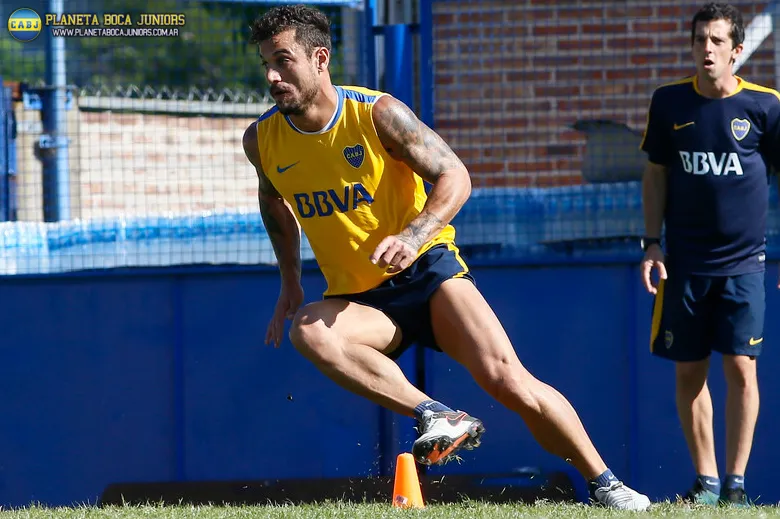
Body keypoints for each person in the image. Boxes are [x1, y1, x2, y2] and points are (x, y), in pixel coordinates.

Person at [242, 4, 650, 511]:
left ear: (320, 58)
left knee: (510, 382)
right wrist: (290, 283)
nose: (273, 76)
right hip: (361, 298)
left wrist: (413, 236)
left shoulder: (376, 114)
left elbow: (456, 175)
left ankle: (605, 482)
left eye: (283, 60)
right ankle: (437, 414)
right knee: (310, 330)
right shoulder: (262, 139)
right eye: (266, 64)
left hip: (427, 272)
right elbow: (273, 203)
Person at [640, 2, 780, 508]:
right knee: (688, 371)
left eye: (718, 41)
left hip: (745, 265)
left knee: (742, 367)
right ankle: (707, 482)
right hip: (685, 265)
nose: (707, 49)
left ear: (737, 51)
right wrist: (651, 242)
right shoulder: (669, 103)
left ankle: (737, 486)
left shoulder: (766, 106)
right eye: (701, 39)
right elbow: (655, 174)